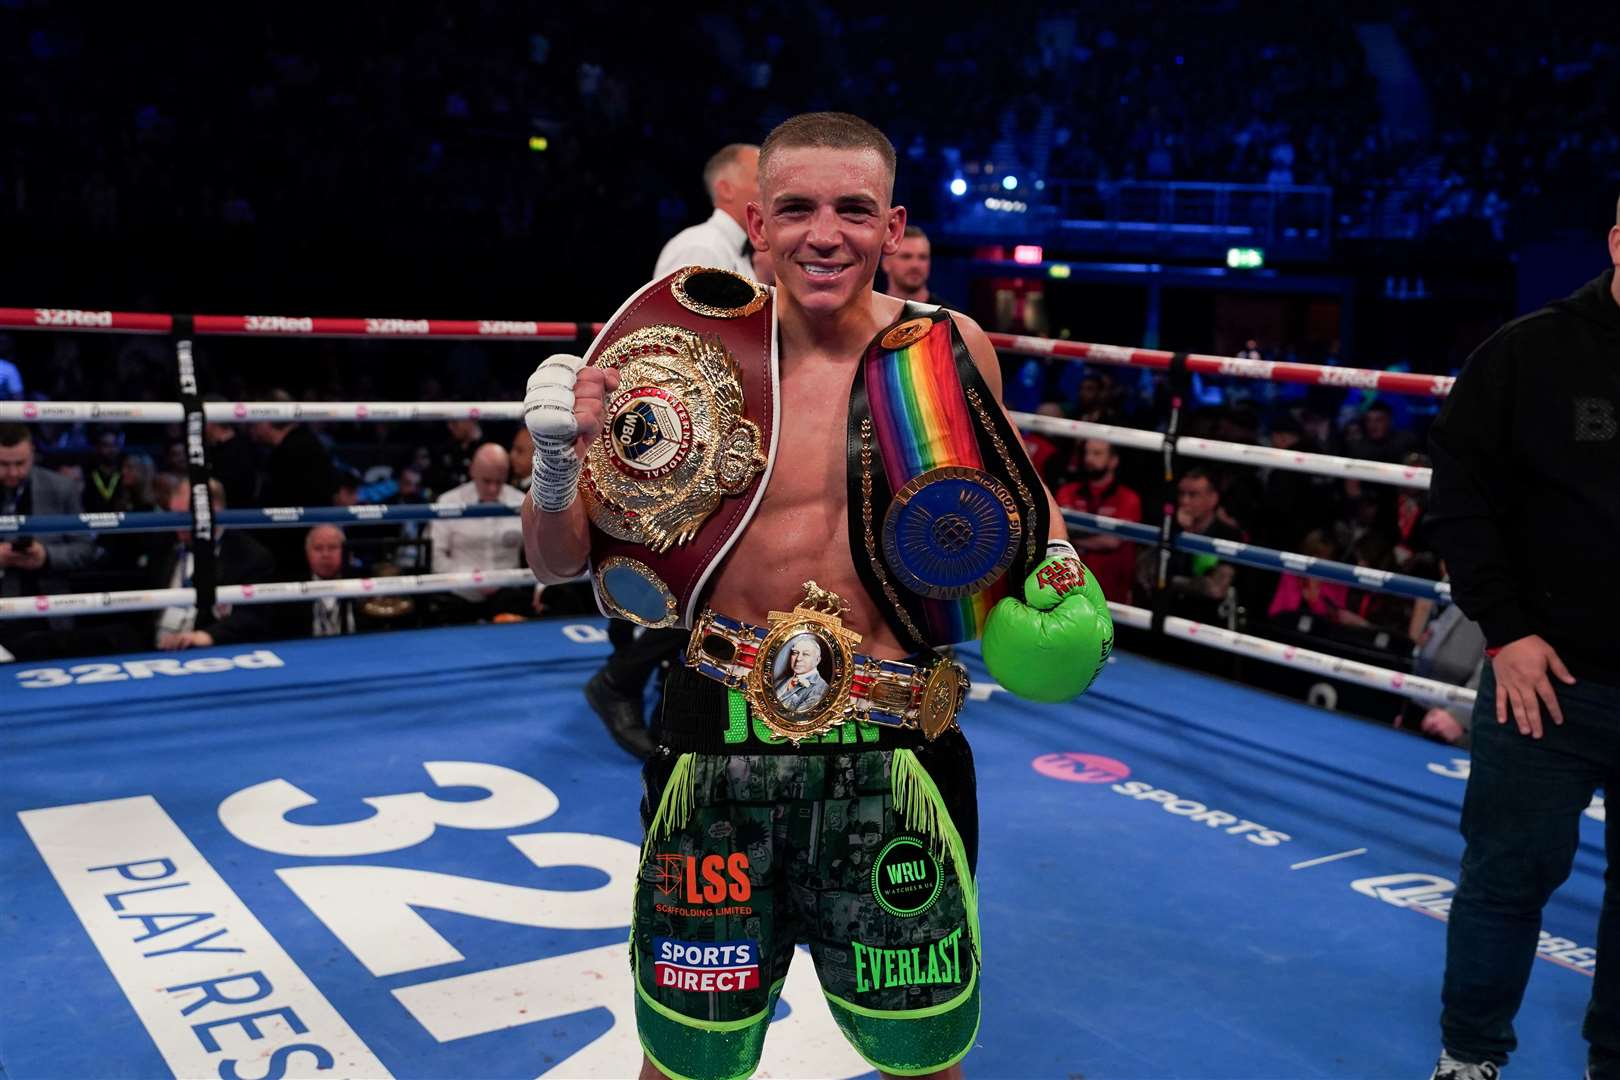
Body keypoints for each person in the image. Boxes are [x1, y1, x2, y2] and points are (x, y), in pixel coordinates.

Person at [520, 112, 1110, 1080]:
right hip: (718, 748)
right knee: (684, 1059)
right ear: (757, 224)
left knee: (924, 1057)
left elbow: (1021, 509)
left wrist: (1060, 575)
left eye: (853, 209)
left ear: (892, 224)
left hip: (894, 756)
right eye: (796, 209)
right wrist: (553, 463)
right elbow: (555, 564)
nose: (824, 233)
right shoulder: (682, 360)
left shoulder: (949, 353)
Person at [1423, 203, 1620, 1080]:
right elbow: (1460, 501)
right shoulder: (1529, 352)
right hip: (1547, 679)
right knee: (1506, 878)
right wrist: (1506, 634)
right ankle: (1469, 1059)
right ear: (1617, 240)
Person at [0, 423, 96, 659]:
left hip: (50, 613)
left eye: (20, 463)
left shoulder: (61, 488)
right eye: (3, 465)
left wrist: (46, 556)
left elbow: (85, 549)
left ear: (32, 452)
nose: (13, 472)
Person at [152, 480, 275, 651]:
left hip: (202, 651)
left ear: (212, 512)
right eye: (173, 514)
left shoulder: (248, 556)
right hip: (153, 646)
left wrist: (207, 636)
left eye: (183, 516)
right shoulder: (166, 544)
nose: (176, 524)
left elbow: (251, 617)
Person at [427, 442, 528, 623]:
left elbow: (537, 555)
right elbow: (435, 556)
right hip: (460, 594)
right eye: (487, 481)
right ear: (472, 471)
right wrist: (471, 578)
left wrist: (537, 588)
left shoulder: (520, 502)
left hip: (508, 595)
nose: (492, 489)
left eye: (499, 481)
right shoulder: (449, 501)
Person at [250, 390, 339, 580]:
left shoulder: (295, 450)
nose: (251, 426)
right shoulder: (300, 444)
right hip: (294, 544)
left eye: (255, 419)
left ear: (268, 422)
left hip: (295, 548)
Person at [652, 143, 761, 281]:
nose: (772, 191)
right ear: (726, 190)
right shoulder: (702, 247)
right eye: (761, 181)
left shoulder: (731, 249)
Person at [1055, 438, 1144, 605]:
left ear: (1113, 461)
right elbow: (1057, 533)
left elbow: (1111, 541)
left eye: (1097, 454)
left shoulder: (1128, 498)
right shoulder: (1067, 492)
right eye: (1087, 453)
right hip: (1069, 591)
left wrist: (1071, 538)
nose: (1088, 459)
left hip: (1111, 593)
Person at [269, 524, 359, 639]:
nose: (325, 555)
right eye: (318, 548)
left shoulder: (361, 583)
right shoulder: (289, 589)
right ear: (307, 553)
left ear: (346, 551)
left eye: (332, 547)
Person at [881, 224, 949, 306]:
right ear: (886, 263)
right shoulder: (869, 314)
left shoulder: (949, 317)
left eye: (922, 257)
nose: (915, 265)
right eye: (906, 257)